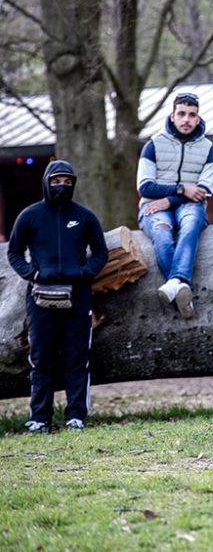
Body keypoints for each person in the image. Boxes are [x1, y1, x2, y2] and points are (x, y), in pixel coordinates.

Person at [7, 161, 109, 433]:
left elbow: (101, 252)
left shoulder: (85, 217)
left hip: (78, 297)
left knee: (77, 358)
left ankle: (76, 416)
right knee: (41, 358)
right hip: (40, 297)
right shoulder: (30, 216)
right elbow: (14, 252)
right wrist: (34, 274)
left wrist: (84, 273)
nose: (61, 186)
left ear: (73, 184)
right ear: (46, 182)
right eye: (56, 181)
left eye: (67, 182)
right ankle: (39, 418)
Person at [137, 92, 213, 320]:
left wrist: (168, 200)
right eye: (181, 114)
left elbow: (203, 192)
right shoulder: (153, 145)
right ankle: (182, 287)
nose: (186, 120)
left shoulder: (208, 148)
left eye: (192, 115)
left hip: (189, 206)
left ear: (197, 117)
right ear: (172, 116)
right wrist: (182, 190)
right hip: (153, 207)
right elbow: (145, 187)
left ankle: (174, 283)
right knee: (162, 234)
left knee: (191, 223)